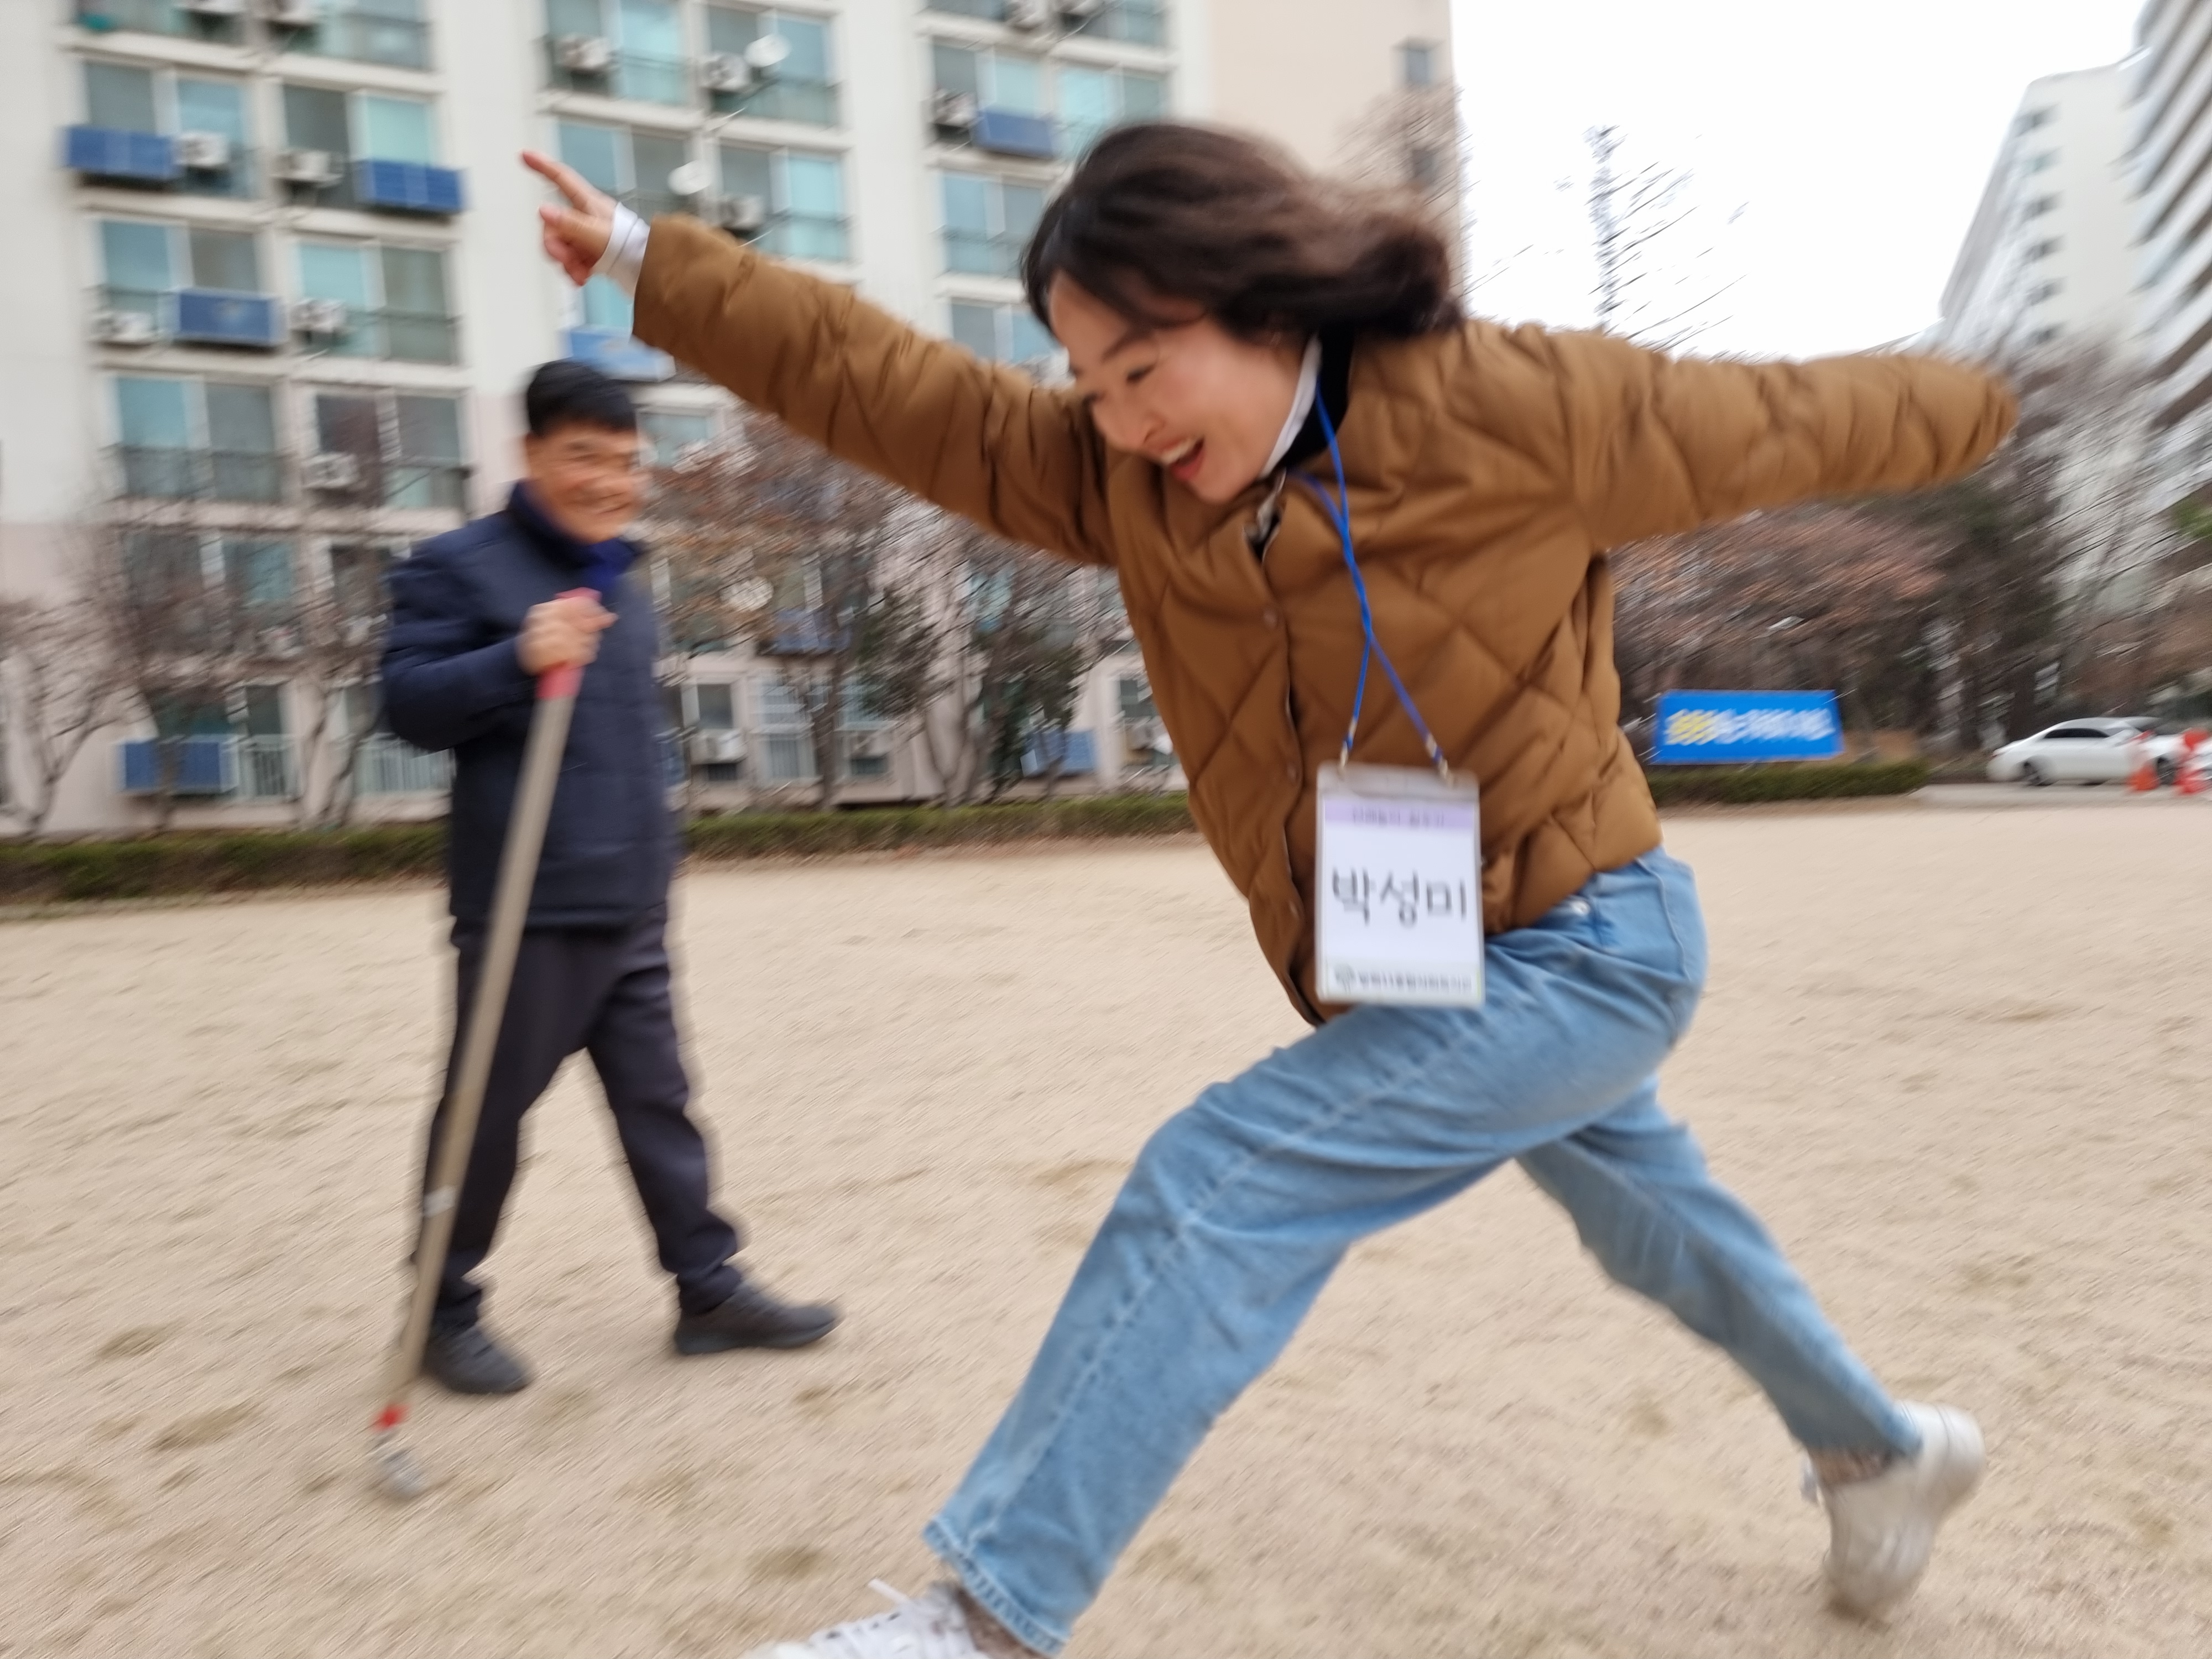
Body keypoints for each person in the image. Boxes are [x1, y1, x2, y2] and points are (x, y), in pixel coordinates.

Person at [526, 124, 2013, 1656]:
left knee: (1222, 1178)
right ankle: (1880, 1451)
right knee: (1655, 1223)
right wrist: (649, 260)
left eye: (1142, 366)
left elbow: (1792, 415)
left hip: (1586, 944)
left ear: (1266, 304)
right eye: (1087, 380)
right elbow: (888, 387)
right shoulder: (1121, 477)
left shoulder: (1509, 406)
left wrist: (1997, 397)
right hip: (1427, 959)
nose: (1120, 416)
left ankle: (982, 1624)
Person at [382, 360, 837, 1396]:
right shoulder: (456, 568)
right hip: (527, 910)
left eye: (628, 463)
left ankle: (707, 1290)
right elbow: (406, 708)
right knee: (485, 1115)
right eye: (584, 456)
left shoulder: (622, 582)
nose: (610, 481)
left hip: (631, 899)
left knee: (660, 1105)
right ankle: (441, 1309)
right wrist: (514, 658)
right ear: (532, 453)